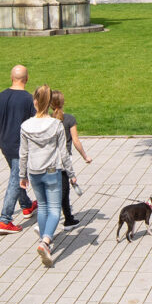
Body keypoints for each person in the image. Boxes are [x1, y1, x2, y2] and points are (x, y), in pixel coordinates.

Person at [17, 87, 73, 268]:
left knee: (42, 207)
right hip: (51, 171)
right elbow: (63, 154)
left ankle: (43, 239)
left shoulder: (25, 126)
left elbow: (23, 153)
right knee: (55, 209)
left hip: (34, 172)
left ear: (35, 102)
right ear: (49, 104)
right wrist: (71, 174)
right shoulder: (56, 125)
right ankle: (46, 242)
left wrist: (22, 175)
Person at [0, 65, 37, 232]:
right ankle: (5, 219)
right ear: (27, 78)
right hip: (21, 146)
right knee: (16, 179)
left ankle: (26, 205)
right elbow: (37, 124)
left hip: (5, 144)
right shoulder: (29, 99)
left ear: (11, 77)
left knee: (17, 174)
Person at [57, 95, 95, 228]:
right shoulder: (69, 119)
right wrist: (85, 156)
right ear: (63, 103)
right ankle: (66, 219)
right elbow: (76, 140)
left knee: (54, 190)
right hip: (63, 161)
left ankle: (67, 217)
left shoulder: (48, 120)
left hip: (48, 161)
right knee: (63, 191)